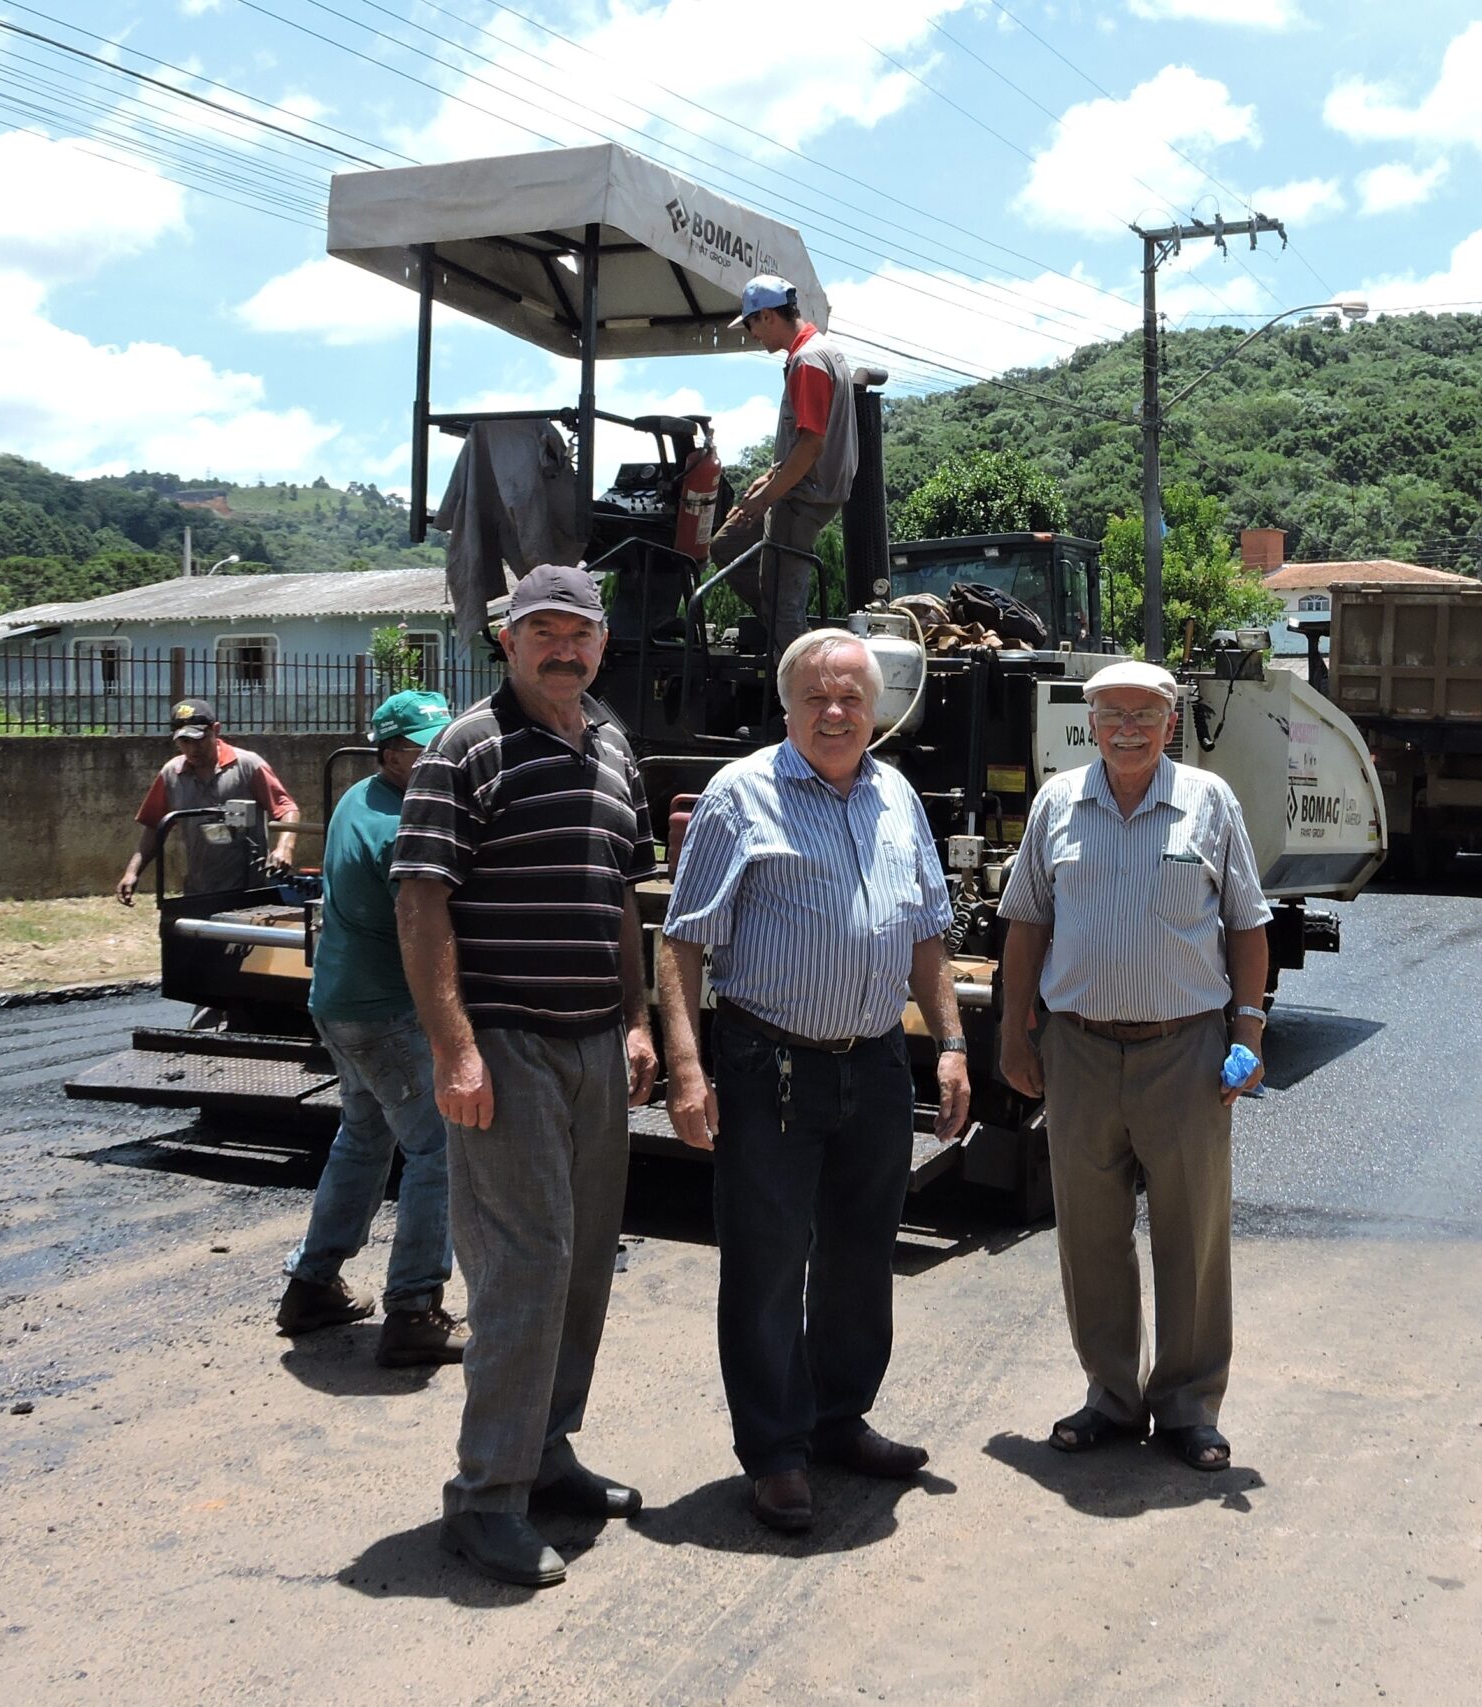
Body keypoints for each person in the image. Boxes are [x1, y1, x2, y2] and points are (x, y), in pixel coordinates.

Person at [654, 629, 970, 1535]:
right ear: (786, 706)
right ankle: (777, 1451)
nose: (836, 713)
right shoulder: (738, 795)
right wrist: (687, 1067)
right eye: (817, 698)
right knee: (765, 1261)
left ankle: (839, 1418)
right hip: (769, 1062)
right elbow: (681, 941)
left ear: (877, 708)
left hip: (874, 1060)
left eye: (852, 699)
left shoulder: (896, 792)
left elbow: (925, 933)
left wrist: (948, 1041)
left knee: (862, 1256)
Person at [392, 563, 660, 1590]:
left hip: (596, 1044)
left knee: (586, 1260)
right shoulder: (466, 748)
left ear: (600, 644)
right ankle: (486, 1498)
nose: (563, 647)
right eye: (541, 630)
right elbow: (422, 903)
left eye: (578, 632)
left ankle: (546, 1454)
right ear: (506, 642)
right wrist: (453, 1047)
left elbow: (619, 902)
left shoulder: (611, 745)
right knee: (525, 1269)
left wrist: (635, 1023)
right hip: (504, 1046)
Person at [995, 660, 1270, 1473]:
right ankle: (1111, 1395)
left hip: (1185, 1048)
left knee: (1192, 1231)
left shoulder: (1209, 804)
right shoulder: (1058, 804)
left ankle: (1188, 1404)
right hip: (1076, 1046)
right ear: (1090, 722)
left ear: (1170, 723)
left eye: (1144, 714)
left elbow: (1247, 925)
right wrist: (1015, 1031)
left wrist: (1248, 1028)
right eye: (1111, 713)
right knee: (1090, 1232)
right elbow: (1025, 924)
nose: (1126, 727)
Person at [275, 688, 467, 1368]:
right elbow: (425, 925)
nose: (446, 754)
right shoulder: (402, 822)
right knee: (440, 1149)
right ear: (392, 753)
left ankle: (312, 1283)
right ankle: (414, 1308)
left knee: (362, 1137)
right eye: (429, 746)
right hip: (387, 1012)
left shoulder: (361, 795)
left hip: (339, 1003)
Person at [712, 274, 858, 662]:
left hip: (803, 496)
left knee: (784, 607)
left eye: (750, 325)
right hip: (800, 487)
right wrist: (770, 476)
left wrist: (768, 497)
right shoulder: (821, 351)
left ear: (766, 317)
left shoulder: (808, 361)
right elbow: (805, 439)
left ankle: (804, 683)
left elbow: (812, 444)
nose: (751, 335)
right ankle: (781, 632)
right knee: (726, 546)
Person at [116, 697, 301, 904]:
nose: (193, 749)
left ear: (216, 730)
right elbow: (154, 827)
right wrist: (132, 872)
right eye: (185, 742)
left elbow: (286, 808)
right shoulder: (171, 774)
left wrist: (285, 846)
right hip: (198, 893)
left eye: (199, 739)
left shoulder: (247, 766)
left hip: (251, 892)